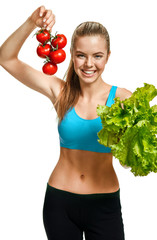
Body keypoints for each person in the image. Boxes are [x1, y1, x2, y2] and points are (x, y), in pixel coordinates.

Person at [0, 5, 132, 240]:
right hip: (59, 203)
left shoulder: (122, 98)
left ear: (108, 56)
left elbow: (128, 163)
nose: (89, 64)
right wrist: (32, 23)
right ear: (72, 54)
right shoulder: (60, 92)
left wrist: (127, 144)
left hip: (104, 204)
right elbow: (6, 58)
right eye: (81, 55)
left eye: (97, 56)